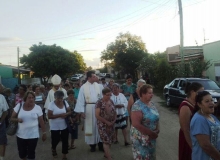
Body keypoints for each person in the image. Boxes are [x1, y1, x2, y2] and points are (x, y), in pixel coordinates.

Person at [10, 91, 47, 160]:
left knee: (31, 154)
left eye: (33, 98)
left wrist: (44, 133)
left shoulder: (37, 108)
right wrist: (17, 120)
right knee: (22, 154)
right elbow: (12, 118)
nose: (31, 99)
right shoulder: (19, 106)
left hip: (33, 135)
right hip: (21, 135)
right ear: (25, 98)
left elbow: (41, 121)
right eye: (29, 98)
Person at [74, 70, 103, 152]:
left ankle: (100, 144)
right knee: (91, 127)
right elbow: (80, 100)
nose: (96, 77)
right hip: (89, 109)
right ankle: (92, 145)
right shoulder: (83, 87)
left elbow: (102, 98)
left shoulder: (99, 86)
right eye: (94, 76)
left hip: (98, 108)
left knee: (99, 126)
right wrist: (81, 112)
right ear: (89, 77)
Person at [130, 84, 159, 160]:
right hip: (140, 138)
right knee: (143, 157)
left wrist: (157, 129)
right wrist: (151, 133)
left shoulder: (152, 104)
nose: (152, 95)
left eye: (152, 93)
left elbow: (156, 117)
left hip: (151, 137)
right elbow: (136, 124)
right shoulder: (137, 106)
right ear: (143, 94)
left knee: (151, 156)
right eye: (150, 93)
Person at [190, 91, 220, 160]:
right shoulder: (199, 120)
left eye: (211, 100)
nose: (211, 103)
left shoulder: (212, 116)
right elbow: (206, 145)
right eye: (207, 101)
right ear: (199, 104)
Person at [178, 82, 204, 160]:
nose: (201, 95)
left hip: (196, 138)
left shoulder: (195, 104)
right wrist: (192, 146)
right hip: (188, 140)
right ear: (192, 92)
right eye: (200, 92)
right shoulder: (185, 106)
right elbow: (185, 129)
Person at [47, 90, 71, 160]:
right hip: (54, 126)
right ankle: (53, 148)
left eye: (61, 98)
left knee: (65, 140)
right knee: (55, 139)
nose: (60, 100)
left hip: (64, 125)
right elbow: (49, 116)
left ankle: (64, 155)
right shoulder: (51, 104)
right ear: (55, 98)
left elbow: (69, 111)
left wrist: (66, 114)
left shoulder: (65, 102)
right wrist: (60, 115)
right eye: (58, 99)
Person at [95, 88, 116, 160]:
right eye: (107, 95)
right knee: (106, 140)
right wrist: (107, 122)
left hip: (111, 124)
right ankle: (109, 157)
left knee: (110, 140)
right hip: (102, 124)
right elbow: (97, 115)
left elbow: (115, 111)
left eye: (110, 95)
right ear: (103, 94)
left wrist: (114, 121)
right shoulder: (99, 103)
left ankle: (106, 154)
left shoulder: (111, 101)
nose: (109, 96)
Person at [0, 84, 9, 160]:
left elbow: (5, 111)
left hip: (1, 123)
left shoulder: (2, 97)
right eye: (1, 87)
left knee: (2, 141)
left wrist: (0, 122)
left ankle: (1, 158)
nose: (2, 88)